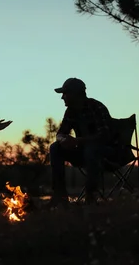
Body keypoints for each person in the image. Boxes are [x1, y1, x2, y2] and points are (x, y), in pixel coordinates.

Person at [48, 78, 116, 207]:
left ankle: (90, 196)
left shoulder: (96, 107)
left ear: (75, 94)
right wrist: (64, 140)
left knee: (92, 149)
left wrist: (78, 140)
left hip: (107, 153)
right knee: (55, 148)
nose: (62, 97)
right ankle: (60, 196)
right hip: (83, 153)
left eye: (65, 93)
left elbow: (106, 135)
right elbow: (60, 133)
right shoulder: (70, 112)